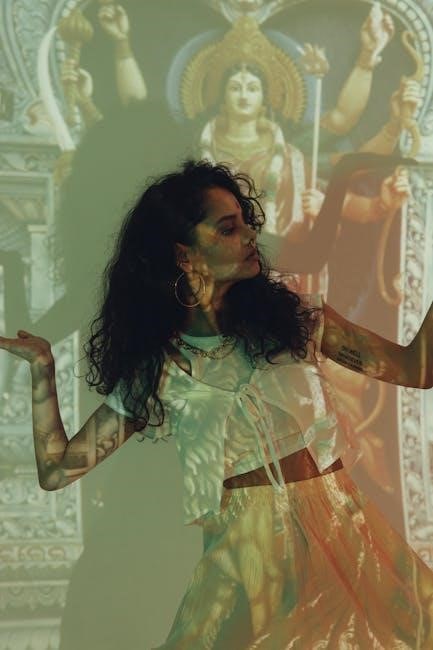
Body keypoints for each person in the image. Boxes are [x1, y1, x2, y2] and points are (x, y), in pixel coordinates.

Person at [1, 153, 433, 648]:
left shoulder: (297, 321)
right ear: (184, 255)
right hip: (245, 557)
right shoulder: (159, 370)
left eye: (246, 222)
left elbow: (415, 370)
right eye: (228, 228)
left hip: (343, 534)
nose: (250, 235)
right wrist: (42, 369)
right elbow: (57, 471)